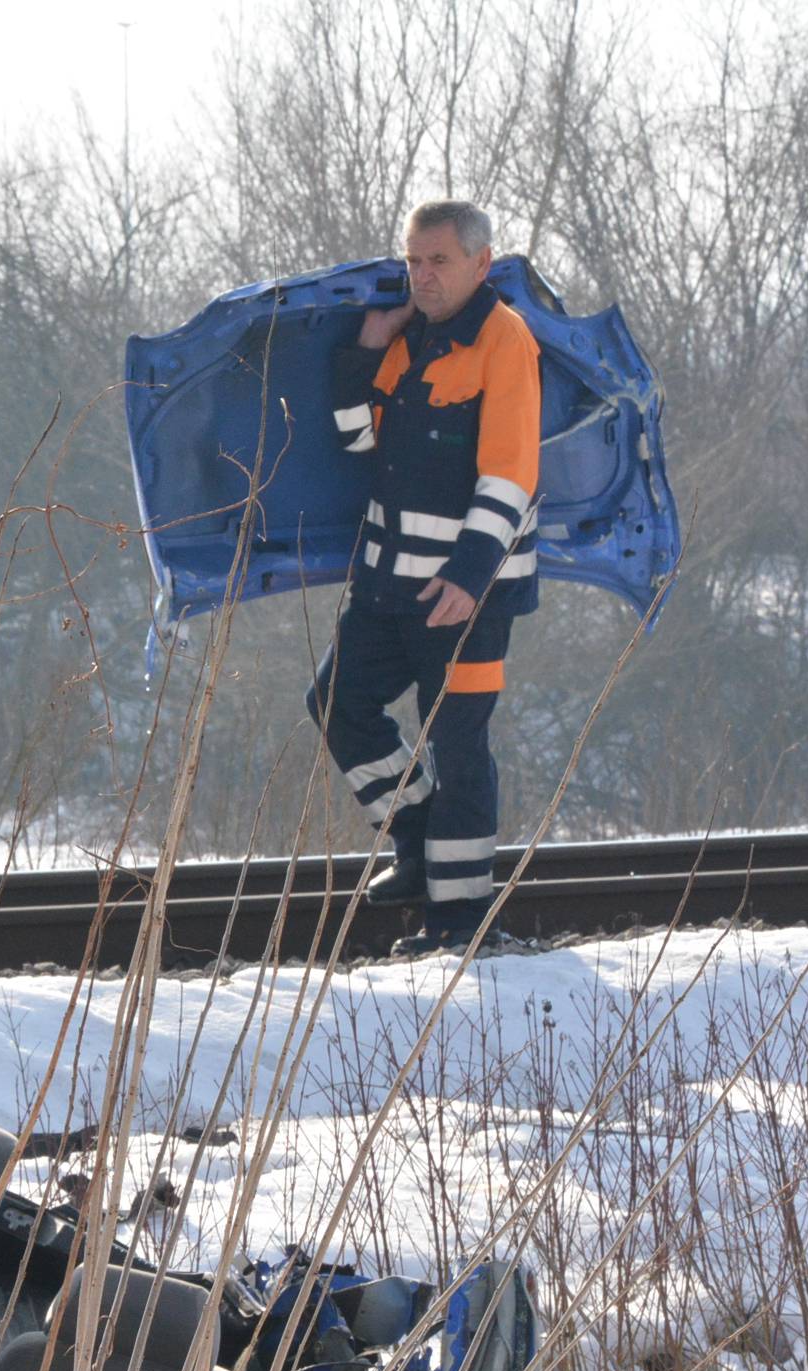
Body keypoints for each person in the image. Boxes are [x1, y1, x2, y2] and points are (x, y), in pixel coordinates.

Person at [306, 198, 542, 956]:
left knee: (460, 744)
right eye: (414, 259)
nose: (423, 275)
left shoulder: (506, 342)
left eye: (438, 260)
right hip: (384, 589)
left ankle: (462, 927)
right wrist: (364, 354)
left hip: (466, 598)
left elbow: (511, 475)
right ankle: (414, 840)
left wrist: (471, 577)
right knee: (336, 704)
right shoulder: (410, 339)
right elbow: (357, 441)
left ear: (482, 262)